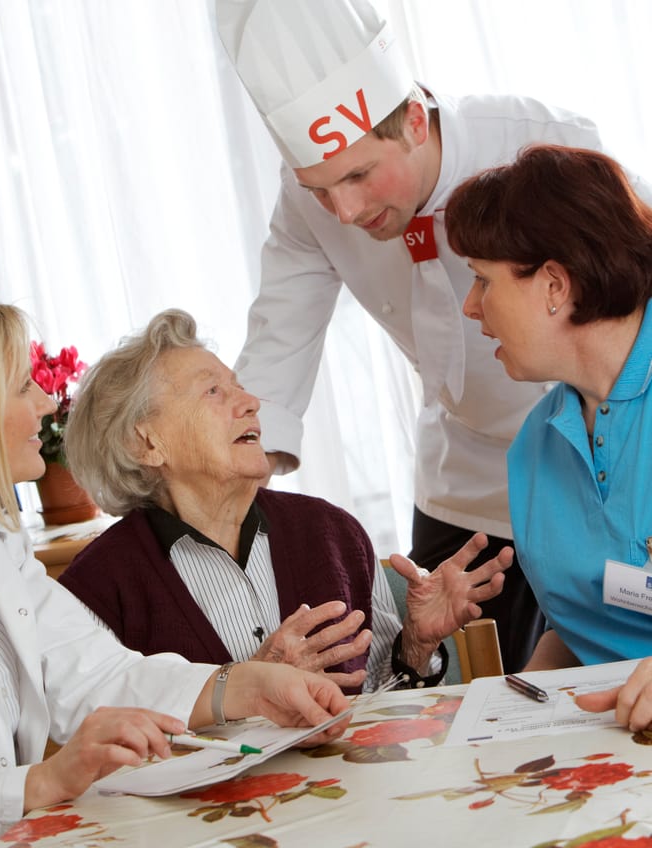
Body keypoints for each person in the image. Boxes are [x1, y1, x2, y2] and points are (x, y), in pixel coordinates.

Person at [215, 0, 652, 673]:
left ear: (415, 121)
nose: (346, 211)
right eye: (321, 187)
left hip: (623, 442)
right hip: (487, 471)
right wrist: (221, 495)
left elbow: (630, 265)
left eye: (359, 175)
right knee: (456, 672)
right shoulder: (315, 205)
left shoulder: (539, 144)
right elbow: (278, 344)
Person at [0, 294, 352, 848]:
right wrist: (42, 781)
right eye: (22, 386)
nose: (49, 402)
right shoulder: (99, 567)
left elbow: (100, 674)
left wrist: (246, 685)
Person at [59, 307, 512, 693]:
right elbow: (112, 762)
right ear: (147, 443)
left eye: (239, 385)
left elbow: (379, 709)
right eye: (213, 391)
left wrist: (415, 645)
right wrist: (246, 696)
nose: (251, 402)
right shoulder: (98, 589)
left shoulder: (333, 534)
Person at [443, 144, 652, 715]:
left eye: (484, 279)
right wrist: (519, 709)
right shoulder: (534, 450)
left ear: (555, 285)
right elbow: (583, 630)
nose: (471, 305)